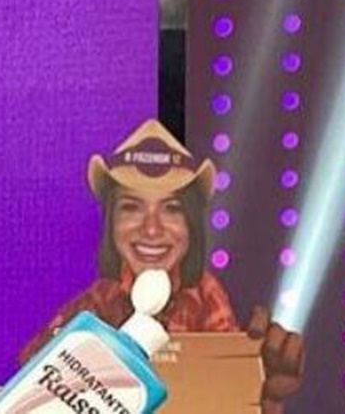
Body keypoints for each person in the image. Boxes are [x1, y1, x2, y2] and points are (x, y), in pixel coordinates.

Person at [19, 119, 304, 413]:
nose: (152, 229)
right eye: (131, 207)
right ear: (111, 223)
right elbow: (26, 383)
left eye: (171, 209)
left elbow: (227, 398)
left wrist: (262, 392)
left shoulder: (208, 298)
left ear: (191, 224)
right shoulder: (96, 303)